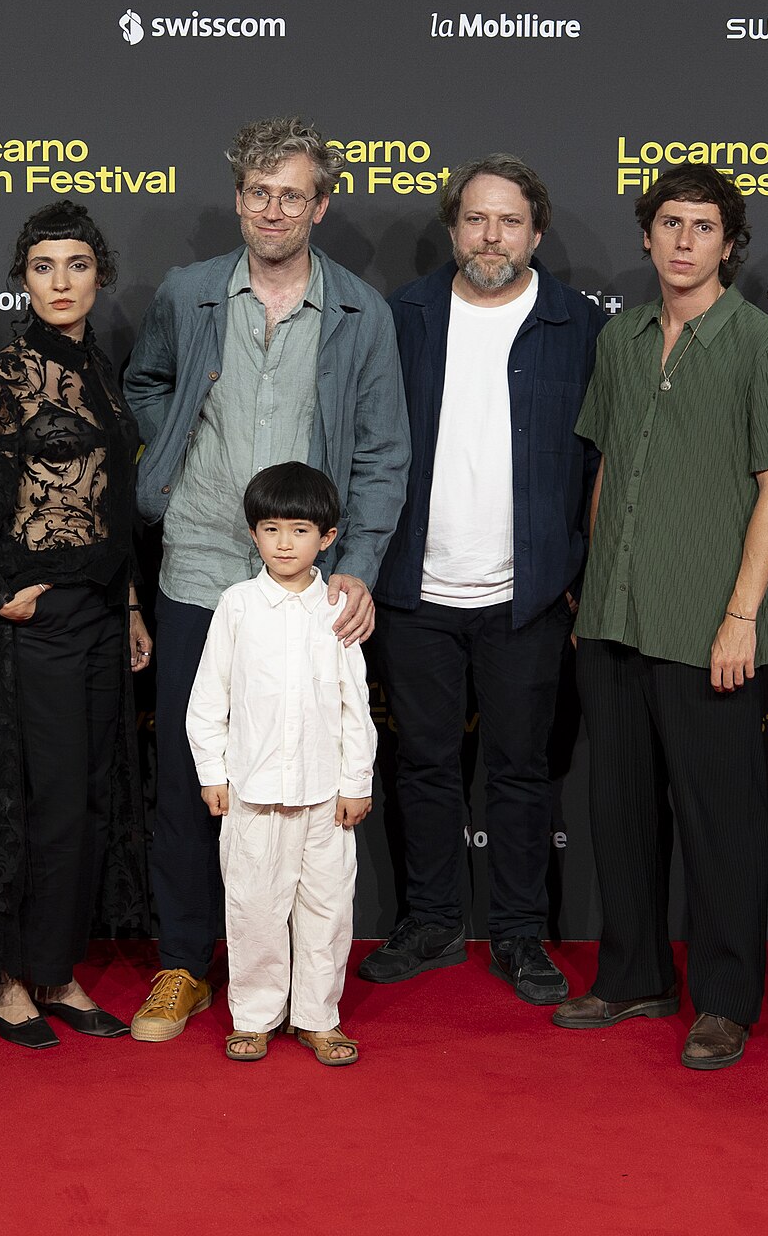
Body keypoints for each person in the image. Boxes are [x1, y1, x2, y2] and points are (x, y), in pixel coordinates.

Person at [123, 116, 409, 1042]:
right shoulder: (190, 292)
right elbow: (147, 384)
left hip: (311, 588)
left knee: (307, 787)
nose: (273, 209)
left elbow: (382, 456)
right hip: (202, 567)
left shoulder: (362, 312)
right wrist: (177, 466)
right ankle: (181, 963)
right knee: (190, 774)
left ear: (321, 204)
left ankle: (298, 983)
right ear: (238, 199)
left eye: (293, 193)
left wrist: (357, 567)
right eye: (257, 192)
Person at [554, 165, 768, 1070]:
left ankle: (727, 999)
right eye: (670, 223)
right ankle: (633, 976)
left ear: (729, 244)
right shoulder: (619, 338)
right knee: (618, 807)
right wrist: (592, 583)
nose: (686, 239)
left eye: (704, 225)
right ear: (649, 236)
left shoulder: (761, 345)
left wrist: (743, 615)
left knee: (722, 820)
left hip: (711, 627)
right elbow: (611, 467)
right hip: (615, 615)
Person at [362, 154, 605, 1002]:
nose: (491, 235)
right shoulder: (404, 318)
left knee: (521, 770)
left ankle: (518, 934)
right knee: (423, 763)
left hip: (529, 595)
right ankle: (429, 922)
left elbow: (600, 463)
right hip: (414, 590)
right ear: (453, 228)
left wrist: (580, 573)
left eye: (508, 221)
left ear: (536, 233)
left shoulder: (579, 324)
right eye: (475, 219)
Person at [0, 201, 152, 1048]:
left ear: (99, 276)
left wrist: (131, 605)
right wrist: (0, 595)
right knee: (38, 801)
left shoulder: (104, 369)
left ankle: (59, 971)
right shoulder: (8, 375)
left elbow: (115, 508)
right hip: (38, 621)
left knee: (93, 799)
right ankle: (6, 979)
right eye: (42, 267)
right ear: (22, 281)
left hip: (103, 614)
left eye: (76, 265)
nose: (60, 282)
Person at [187, 463, 376, 1065]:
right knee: (253, 909)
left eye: (300, 530)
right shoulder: (237, 606)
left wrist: (356, 782)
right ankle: (255, 1015)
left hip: (326, 800)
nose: (285, 543)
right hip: (253, 795)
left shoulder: (337, 609)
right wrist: (212, 774)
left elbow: (356, 707)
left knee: (326, 911)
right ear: (253, 536)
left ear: (327, 536)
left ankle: (319, 1017)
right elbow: (208, 698)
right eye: (271, 529)